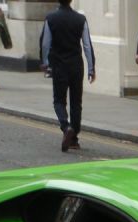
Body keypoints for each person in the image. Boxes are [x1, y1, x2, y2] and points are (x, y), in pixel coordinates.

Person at [41, 0, 96, 152]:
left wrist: (45, 62)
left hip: (59, 65)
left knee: (59, 100)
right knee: (76, 102)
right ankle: (74, 139)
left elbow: (46, 43)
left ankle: (66, 128)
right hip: (76, 65)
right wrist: (91, 68)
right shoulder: (80, 19)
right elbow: (86, 45)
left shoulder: (51, 18)